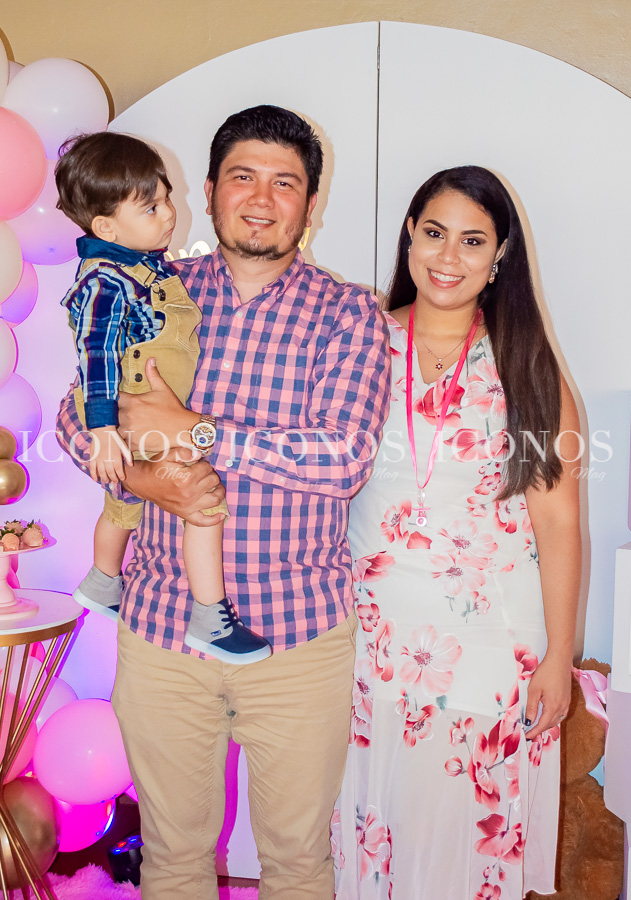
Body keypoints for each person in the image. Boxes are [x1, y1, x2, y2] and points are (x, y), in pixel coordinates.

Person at [56, 105, 391, 900]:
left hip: (297, 638)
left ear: (311, 204)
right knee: (172, 858)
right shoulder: (153, 288)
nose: (262, 198)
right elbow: (76, 416)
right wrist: (145, 480)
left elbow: (343, 457)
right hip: (162, 633)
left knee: (297, 862)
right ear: (208, 191)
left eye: (285, 183)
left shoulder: (346, 313)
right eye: (243, 176)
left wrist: (198, 434)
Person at [333, 166, 581, 900]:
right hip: (364, 644)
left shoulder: (524, 363)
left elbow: (558, 520)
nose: (448, 256)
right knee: (370, 838)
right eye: (435, 233)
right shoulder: (357, 344)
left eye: (472, 240)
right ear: (409, 235)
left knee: (458, 853)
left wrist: (558, 657)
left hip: (487, 648)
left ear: (499, 255)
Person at [55, 131, 270, 663]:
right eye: (151, 207)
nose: (169, 213)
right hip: (130, 402)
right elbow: (95, 354)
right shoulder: (107, 280)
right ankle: (209, 617)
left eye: (166, 198)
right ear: (105, 227)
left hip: (140, 407)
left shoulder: (144, 267)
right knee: (201, 498)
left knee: (124, 501)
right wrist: (103, 428)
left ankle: (103, 581)